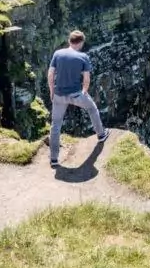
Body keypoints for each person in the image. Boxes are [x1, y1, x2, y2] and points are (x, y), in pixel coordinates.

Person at [47, 31, 110, 167]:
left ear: (69, 41)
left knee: (56, 125)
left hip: (58, 95)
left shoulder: (58, 54)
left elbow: (50, 74)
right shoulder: (83, 56)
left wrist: (52, 91)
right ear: (81, 43)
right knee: (92, 108)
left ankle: (53, 159)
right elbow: (86, 79)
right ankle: (101, 134)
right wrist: (84, 92)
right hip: (76, 94)